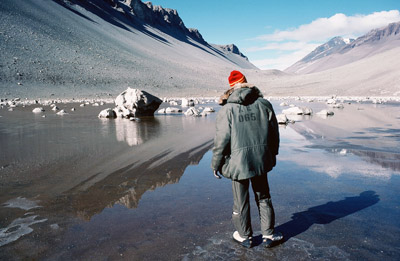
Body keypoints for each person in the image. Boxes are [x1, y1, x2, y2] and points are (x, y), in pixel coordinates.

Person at [211, 70, 283, 248]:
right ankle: (268, 234)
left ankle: (245, 236)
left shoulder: (227, 110)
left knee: (240, 200)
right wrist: (272, 154)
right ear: (247, 83)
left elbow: (221, 140)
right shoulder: (264, 104)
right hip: (261, 159)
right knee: (263, 197)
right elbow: (274, 133)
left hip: (237, 162)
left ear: (231, 87)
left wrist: (216, 164)